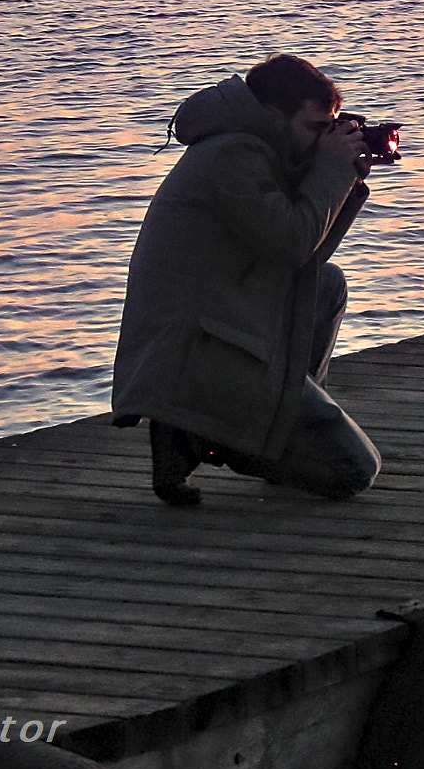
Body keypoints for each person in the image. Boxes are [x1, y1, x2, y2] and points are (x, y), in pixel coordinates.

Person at [112, 54, 381, 505]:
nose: (323, 139)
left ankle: (261, 426)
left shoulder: (262, 149)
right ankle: (207, 437)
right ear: (274, 116)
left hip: (227, 325)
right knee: (352, 470)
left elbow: (305, 261)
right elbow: (294, 242)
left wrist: (346, 182)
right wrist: (330, 170)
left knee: (328, 284)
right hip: (196, 350)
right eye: (316, 127)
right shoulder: (232, 157)